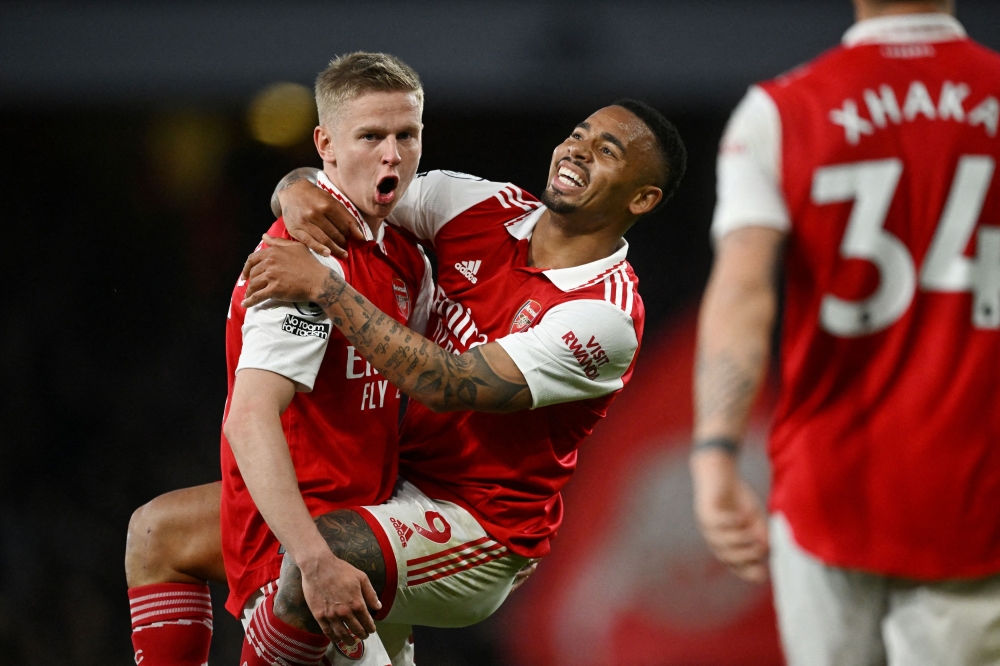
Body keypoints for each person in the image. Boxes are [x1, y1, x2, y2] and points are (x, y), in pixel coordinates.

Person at [128, 98, 686, 665]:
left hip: (480, 528)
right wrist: (295, 187)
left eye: (607, 151)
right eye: (579, 135)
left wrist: (325, 289)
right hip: (384, 485)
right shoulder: (478, 205)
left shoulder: (605, 316)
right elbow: (356, 186)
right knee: (161, 534)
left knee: (318, 558)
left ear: (642, 198)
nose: (578, 152)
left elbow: (449, 383)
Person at [691, 1, 1000, 664]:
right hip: (978, 495)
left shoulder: (780, 110)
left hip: (827, 491)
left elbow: (745, 293)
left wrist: (716, 449)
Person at [126, 51, 434, 666]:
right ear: (326, 143)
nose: (392, 154)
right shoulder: (303, 260)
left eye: (407, 135)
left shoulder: (404, 252)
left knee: (157, 530)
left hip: (366, 515)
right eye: (371, 136)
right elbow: (249, 418)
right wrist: (315, 560)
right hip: (300, 538)